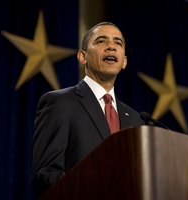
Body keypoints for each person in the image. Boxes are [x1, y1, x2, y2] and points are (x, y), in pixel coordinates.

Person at [31, 22, 144, 197]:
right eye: (101, 41)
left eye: (118, 43)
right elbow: (46, 175)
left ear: (124, 62)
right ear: (82, 57)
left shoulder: (136, 119)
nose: (111, 47)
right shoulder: (60, 103)